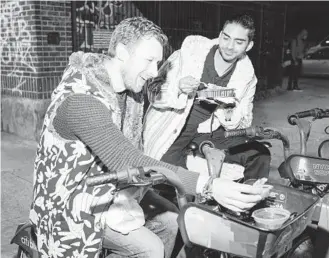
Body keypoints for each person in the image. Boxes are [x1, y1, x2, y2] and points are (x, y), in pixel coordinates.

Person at [29, 17, 270, 258]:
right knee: (150, 249)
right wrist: (209, 185)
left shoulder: (129, 89)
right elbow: (126, 159)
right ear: (123, 52)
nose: (154, 71)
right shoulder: (82, 99)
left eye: (158, 62)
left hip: (116, 190)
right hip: (74, 203)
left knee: (174, 219)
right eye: (149, 60)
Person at [143, 14, 271, 181]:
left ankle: (247, 202)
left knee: (259, 154)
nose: (230, 46)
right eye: (226, 38)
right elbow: (152, 91)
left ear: (249, 46)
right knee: (176, 180)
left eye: (239, 42)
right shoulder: (186, 56)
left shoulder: (246, 76)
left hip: (209, 132)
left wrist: (227, 109)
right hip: (174, 128)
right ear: (219, 35)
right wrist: (178, 88)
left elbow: (245, 122)